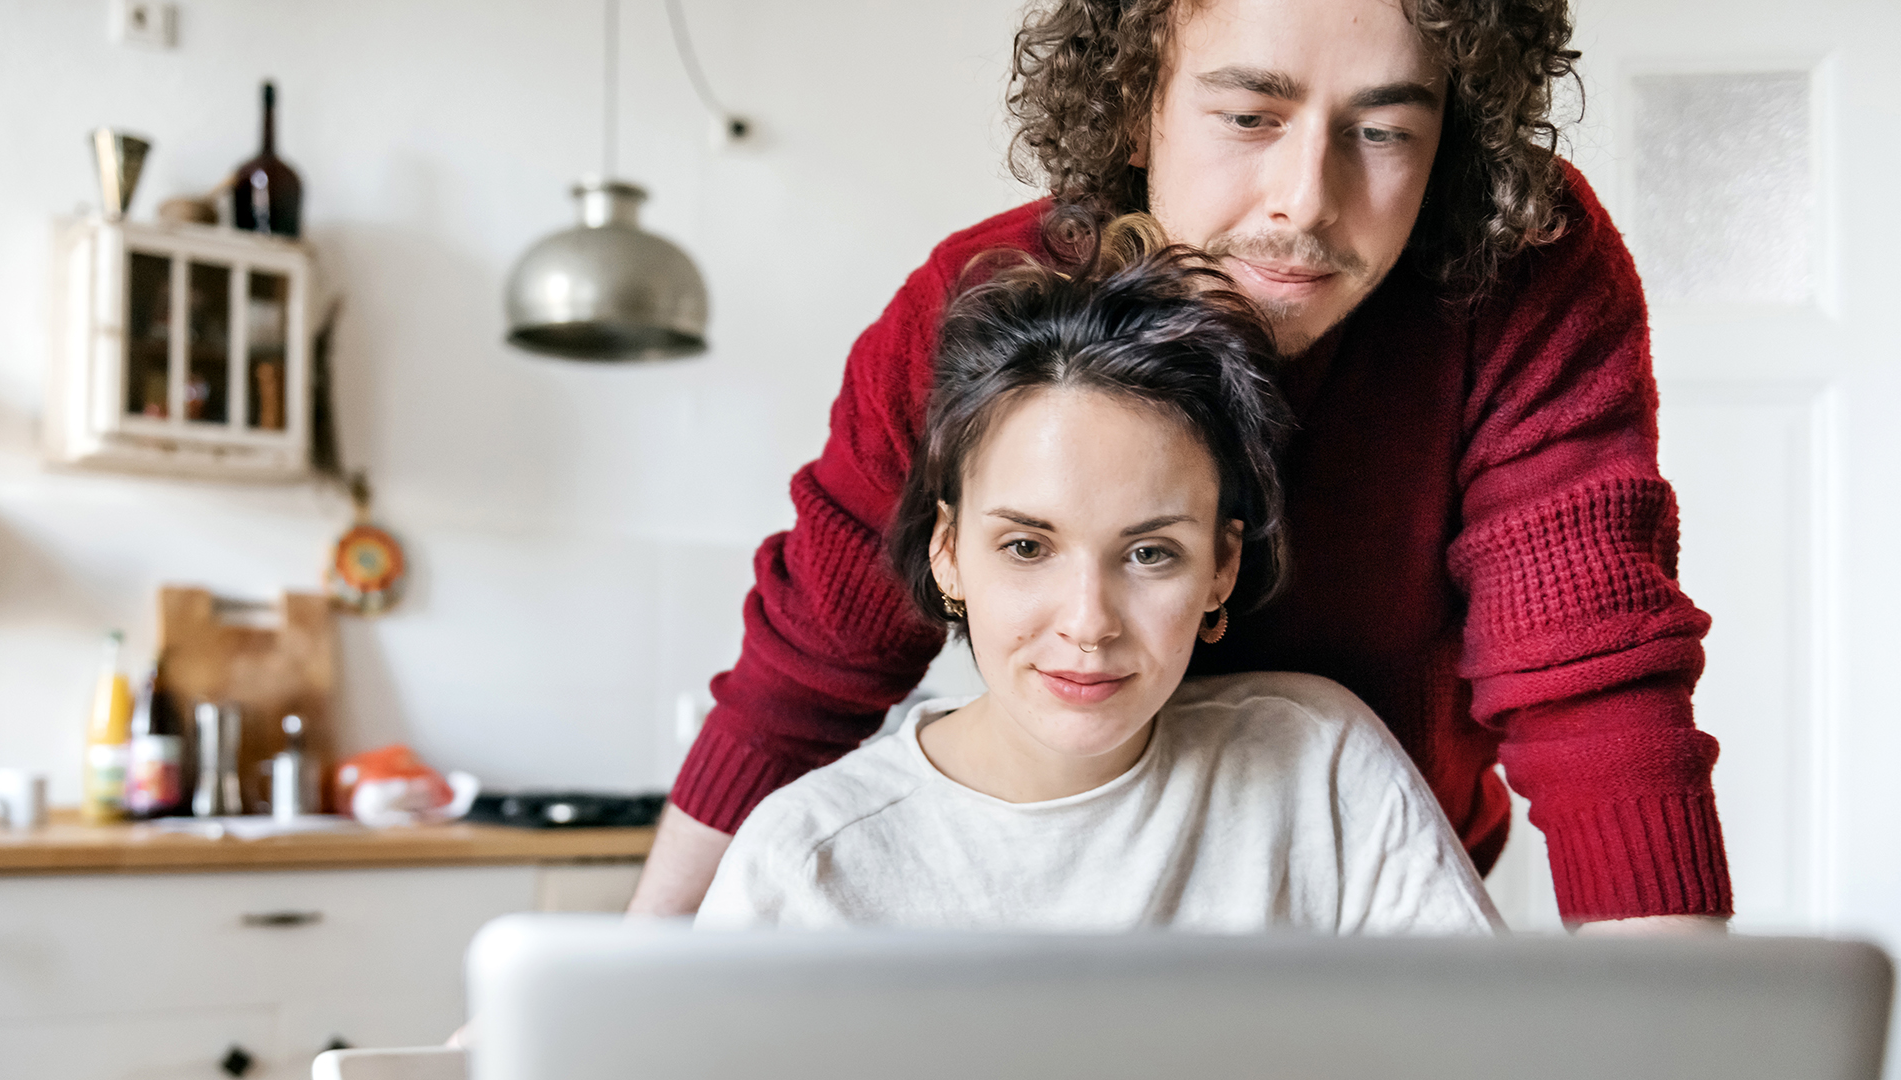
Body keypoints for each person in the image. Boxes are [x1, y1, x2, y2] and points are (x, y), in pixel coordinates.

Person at [635, 0, 1732, 933]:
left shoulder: (1520, 280)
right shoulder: (983, 316)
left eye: (1384, 130)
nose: (1306, 200)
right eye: (1250, 116)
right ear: (1136, 100)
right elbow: (803, 676)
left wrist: (1687, 1035)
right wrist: (641, 958)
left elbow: (1596, 691)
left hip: (1354, 887)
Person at [695, 223, 1500, 933]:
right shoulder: (804, 867)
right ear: (948, 552)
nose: (1088, 624)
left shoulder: (1321, 765)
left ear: (1221, 566)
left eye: (1150, 553)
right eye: (1026, 547)